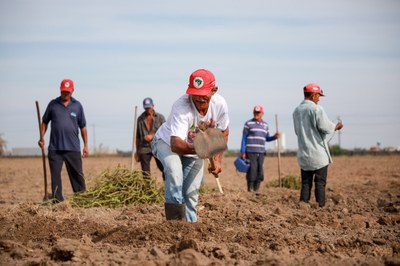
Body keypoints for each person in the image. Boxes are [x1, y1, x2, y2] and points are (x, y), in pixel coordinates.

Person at [151, 69, 229, 222]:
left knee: (191, 193)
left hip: (194, 151)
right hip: (166, 143)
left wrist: (217, 160)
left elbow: (223, 132)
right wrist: (203, 148)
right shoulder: (181, 107)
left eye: (204, 94)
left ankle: (190, 230)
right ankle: (174, 225)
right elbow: (176, 144)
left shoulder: (220, 105)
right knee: (174, 171)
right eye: (195, 94)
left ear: (214, 90)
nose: (199, 99)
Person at [292, 83, 343, 207]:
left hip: (304, 153)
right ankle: (320, 207)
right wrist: (336, 126)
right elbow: (325, 127)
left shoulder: (296, 110)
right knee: (320, 182)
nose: (319, 99)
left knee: (305, 183)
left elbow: (297, 131)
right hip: (318, 154)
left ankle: (303, 205)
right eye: (318, 96)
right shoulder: (316, 109)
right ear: (313, 95)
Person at [38, 79, 88, 203]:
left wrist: (86, 145)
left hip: (73, 148)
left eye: (68, 92)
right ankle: (57, 201)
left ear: (72, 91)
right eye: (64, 91)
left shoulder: (77, 105)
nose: (65, 94)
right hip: (55, 148)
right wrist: (41, 137)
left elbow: (83, 127)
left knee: (77, 175)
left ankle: (82, 200)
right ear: (60, 90)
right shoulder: (53, 104)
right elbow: (44, 122)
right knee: (55, 177)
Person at [240, 105, 279, 192]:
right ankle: (250, 189)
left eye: (258, 112)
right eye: (255, 112)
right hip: (250, 151)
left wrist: (274, 137)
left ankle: (256, 190)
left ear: (262, 113)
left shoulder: (265, 125)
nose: (256, 114)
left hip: (261, 152)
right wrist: (243, 151)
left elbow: (267, 138)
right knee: (252, 169)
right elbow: (244, 138)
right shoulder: (248, 124)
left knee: (260, 170)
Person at [135, 97, 166, 180]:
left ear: (153, 106)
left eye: (149, 107)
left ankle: (167, 187)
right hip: (144, 148)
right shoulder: (140, 119)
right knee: (145, 173)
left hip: (158, 146)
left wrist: (153, 136)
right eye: (146, 107)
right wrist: (137, 152)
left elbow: (166, 132)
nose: (148, 109)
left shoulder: (160, 118)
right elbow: (137, 137)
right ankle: (148, 191)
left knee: (164, 168)